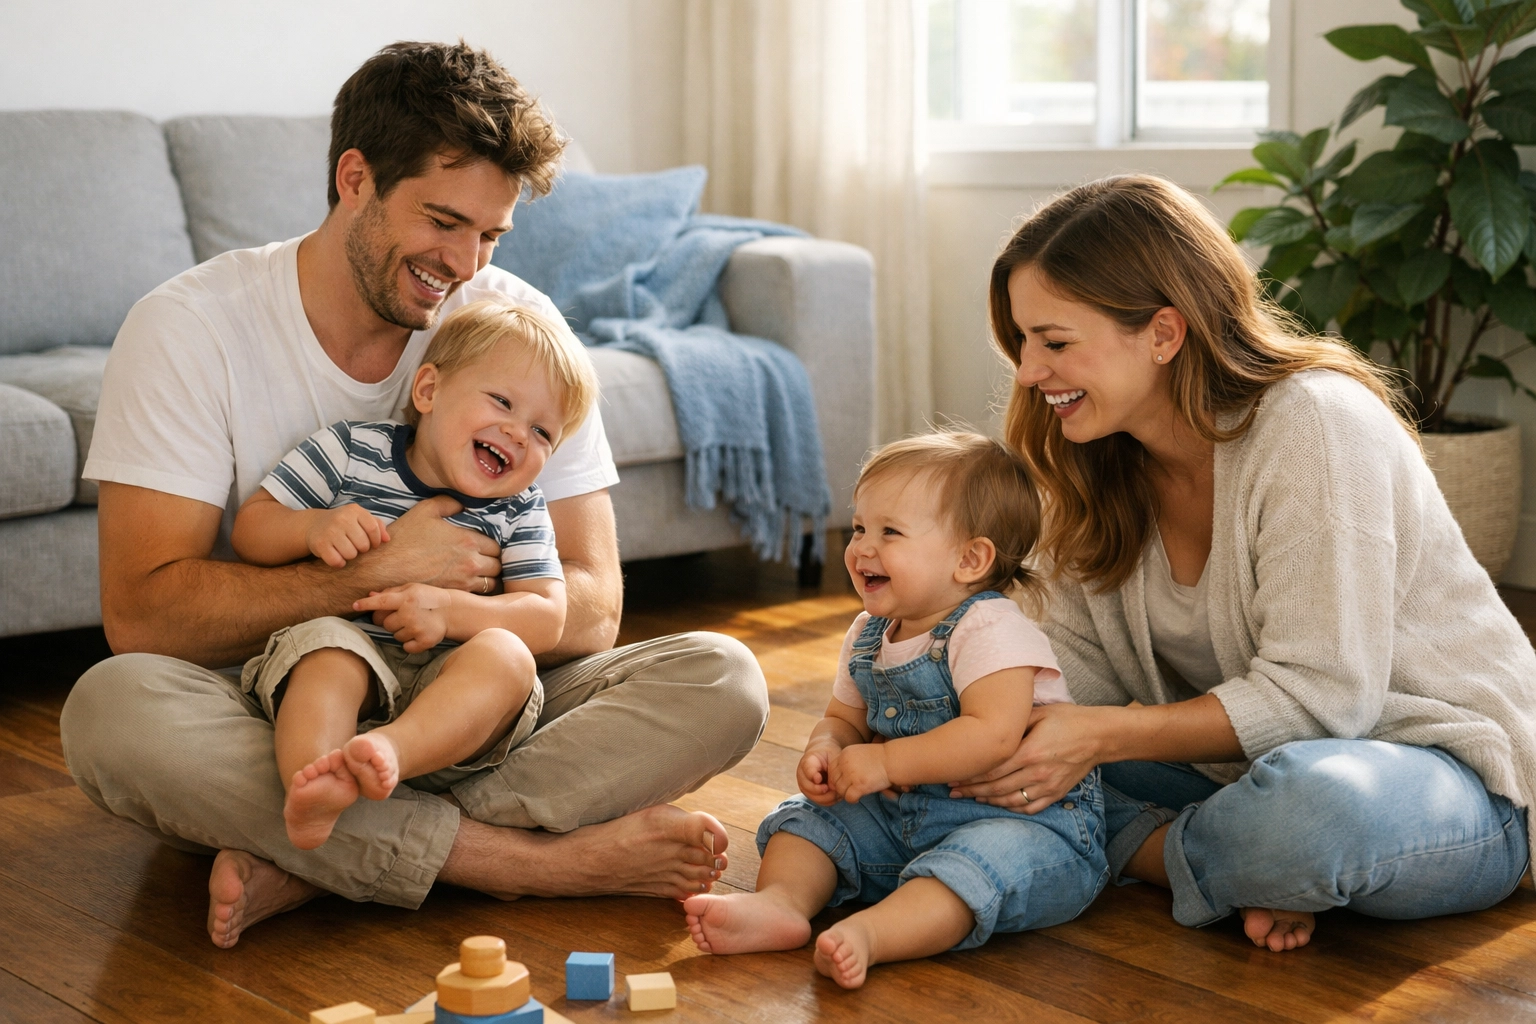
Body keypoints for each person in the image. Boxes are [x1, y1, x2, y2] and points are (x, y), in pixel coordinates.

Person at [59, 40, 768, 949]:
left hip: (474, 703)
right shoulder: (190, 328)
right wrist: (382, 575)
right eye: (442, 221)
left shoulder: (520, 338)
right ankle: (525, 866)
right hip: (283, 703)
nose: (466, 263)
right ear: (355, 178)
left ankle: (320, 855)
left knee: (725, 677)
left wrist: (459, 617)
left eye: (490, 234)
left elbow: (590, 608)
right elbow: (145, 619)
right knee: (111, 710)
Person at [947, 174, 1535, 952]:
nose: (1028, 371)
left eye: (1055, 342)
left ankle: (1162, 853)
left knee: (1314, 813)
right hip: (1227, 774)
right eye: (1022, 341)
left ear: (1163, 332)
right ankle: (1243, 868)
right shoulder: (1094, 460)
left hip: (1440, 778)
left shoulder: (1316, 424)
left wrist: (1095, 741)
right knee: (976, 744)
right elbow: (1062, 674)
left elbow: (1326, 702)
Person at [683, 432, 1109, 988]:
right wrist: (827, 747)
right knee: (807, 821)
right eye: (860, 527)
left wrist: (886, 765)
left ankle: (874, 934)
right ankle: (781, 903)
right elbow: (844, 717)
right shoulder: (869, 632)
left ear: (970, 559)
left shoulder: (989, 626)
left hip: (1024, 823)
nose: (862, 547)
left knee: (970, 869)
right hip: (905, 815)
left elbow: (992, 735)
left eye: (890, 532)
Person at [230, 301, 596, 850]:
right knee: (327, 651)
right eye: (502, 401)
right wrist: (311, 529)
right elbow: (251, 528)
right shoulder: (353, 450)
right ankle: (317, 784)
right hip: (348, 646)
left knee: (509, 655)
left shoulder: (519, 508)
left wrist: (451, 612)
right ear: (428, 391)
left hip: (445, 684)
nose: (519, 434)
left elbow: (546, 617)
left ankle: (392, 754)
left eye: (544, 432)